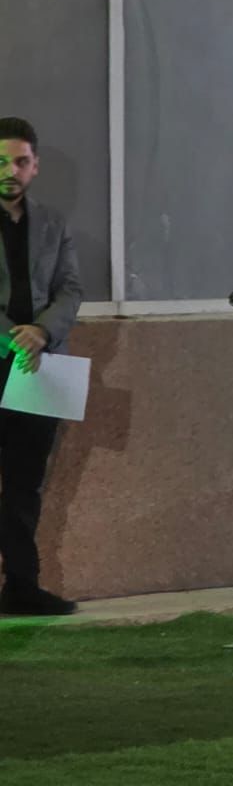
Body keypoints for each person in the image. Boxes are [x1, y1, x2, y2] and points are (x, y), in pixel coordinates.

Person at [0, 117, 82, 616]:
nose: (10, 170)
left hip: (41, 368)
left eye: (20, 161)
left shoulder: (53, 223)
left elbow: (70, 289)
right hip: (9, 354)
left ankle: (22, 586)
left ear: (35, 167)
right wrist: (16, 336)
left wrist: (43, 332)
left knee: (25, 485)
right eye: (1, 161)